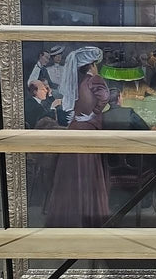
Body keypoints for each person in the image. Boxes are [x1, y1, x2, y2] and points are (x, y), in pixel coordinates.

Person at [42, 46, 111, 228]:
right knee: (87, 172)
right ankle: (89, 218)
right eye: (96, 64)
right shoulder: (94, 79)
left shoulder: (78, 82)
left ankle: (71, 220)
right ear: (92, 65)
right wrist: (95, 112)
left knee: (73, 174)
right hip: (87, 130)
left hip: (75, 128)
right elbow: (105, 96)